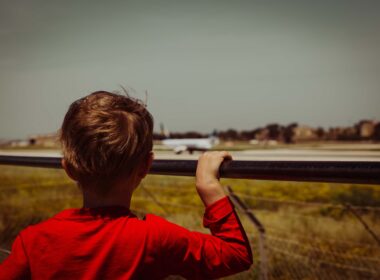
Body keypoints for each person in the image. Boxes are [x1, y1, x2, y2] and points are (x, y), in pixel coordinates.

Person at [0, 91, 252, 279]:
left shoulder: (33, 240)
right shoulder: (155, 238)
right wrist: (209, 187)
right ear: (145, 167)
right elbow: (236, 255)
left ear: (69, 169)